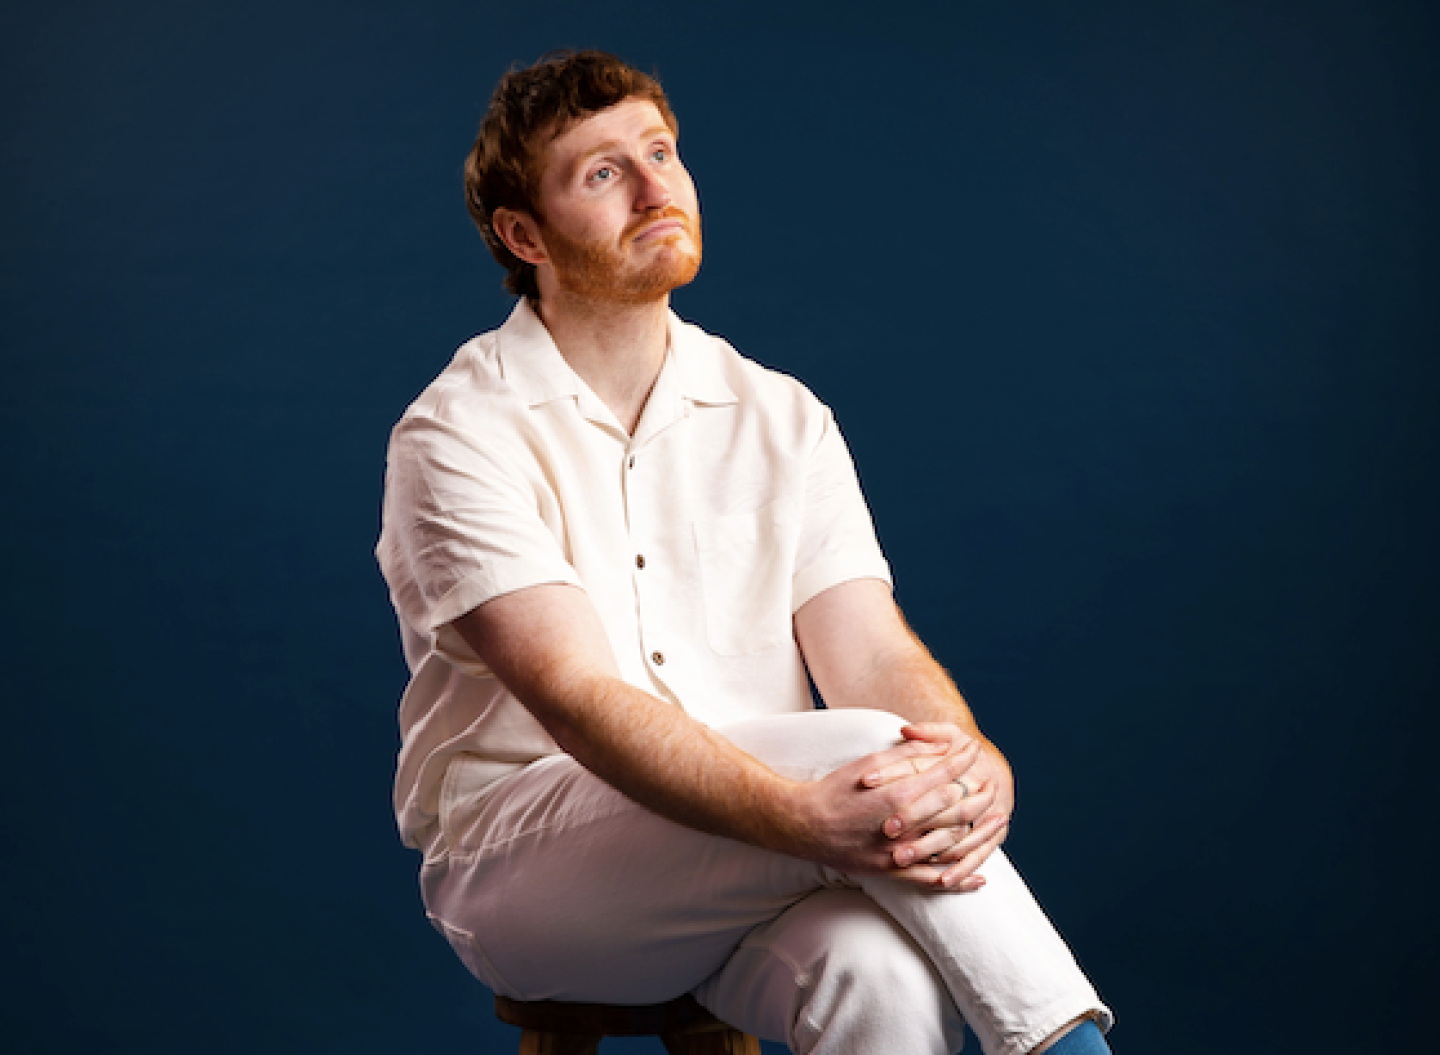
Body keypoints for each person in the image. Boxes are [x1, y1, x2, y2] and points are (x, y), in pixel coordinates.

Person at [377, 50, 1113, 1055]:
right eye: (602, 173)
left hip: (753, 842)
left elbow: (873, 651)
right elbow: (578, 698)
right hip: (526, 869)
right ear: (522, 234)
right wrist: (804, 819)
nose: (653, 189)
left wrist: (965, 762)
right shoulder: (459, 431)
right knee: (863, 747)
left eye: (661, 152)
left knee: (879, 972)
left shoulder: (784, 414)